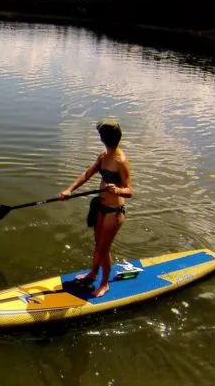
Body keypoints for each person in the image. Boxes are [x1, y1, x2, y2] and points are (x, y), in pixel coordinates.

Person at [59, 118, 133, 297]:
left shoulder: (121, 161)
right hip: (100, 206)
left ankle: (105, 284)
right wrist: (69, 190)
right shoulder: (103, 156)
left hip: (114, 212)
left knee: (103, 249)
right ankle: (93, 273)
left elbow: (129, 191)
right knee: (98, 246)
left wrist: (117, 189)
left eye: (102, 135)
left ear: (106, 137)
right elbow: (87, 174)